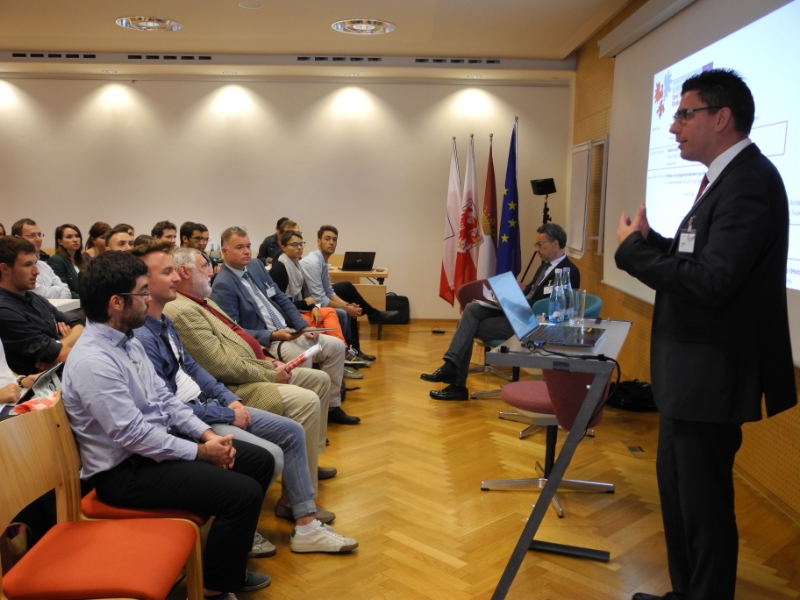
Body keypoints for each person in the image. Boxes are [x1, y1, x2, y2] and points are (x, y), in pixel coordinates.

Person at [615, 69, 796, 600]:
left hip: (710, 380)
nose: (673, 127)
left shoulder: (749, 182)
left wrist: (633, 253)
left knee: (704, 508)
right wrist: (653, 241)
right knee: (680, 500)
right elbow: (700, 261)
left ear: (721, 118)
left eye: (684, 114)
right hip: (689, 381)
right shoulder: (726, 179)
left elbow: (714, 282)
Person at [61, 251, 274, 598]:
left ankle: (223, 562)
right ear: (116, 302)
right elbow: (132, 435)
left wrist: (207, 435)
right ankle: (214, 588)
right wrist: (201, 452)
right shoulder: (93, 360)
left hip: (149, 452)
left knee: (259, 462)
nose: (148, 300)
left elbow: (165, 400)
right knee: (243, 494)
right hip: (124, 473)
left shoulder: (127, 339)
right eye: (142, 292)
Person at [132, 241, 357, 553]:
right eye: (168, 272)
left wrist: (231, 397)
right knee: (275, 445)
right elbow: (192, 386)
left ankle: (304, 517)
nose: (210, 271)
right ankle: (247, 527)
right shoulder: (170, 316)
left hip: (218, 396)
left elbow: (196, 366)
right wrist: (228, 408)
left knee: (298, 417)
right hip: (208, 406)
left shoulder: (170, 317)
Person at [165, 247, 337, 493]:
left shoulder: (203, 300)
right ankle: (296, 496)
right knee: (307, 400)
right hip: (238, 385)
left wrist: (267, 358)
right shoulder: (182, 310)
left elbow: (240, 336)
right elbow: (221, 365)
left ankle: (309, 462)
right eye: (205, 267)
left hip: (256, 364)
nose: (211, 272)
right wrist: (269, 372)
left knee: (319, 380)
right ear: (185, 272)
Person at [211, 226, 359, 426]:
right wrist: (273, 335)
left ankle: (331, 407)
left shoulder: (255, 265)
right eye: (240, 247)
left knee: (336, 347)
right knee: (302, 357)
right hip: (266, 341)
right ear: (224, 251)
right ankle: (304, 415)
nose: (247, 251)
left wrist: (302, 326)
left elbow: (279, 297)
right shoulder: (223, 284)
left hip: (288, 330)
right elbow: (234, 331)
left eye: (248, 246)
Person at [422, 222, 579, 400]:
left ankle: (455, 378)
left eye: (540, 244)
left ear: (555, 243)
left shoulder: (569, 272)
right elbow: (530, 293)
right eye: (535, 244)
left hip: (533, 324)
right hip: (518, 314)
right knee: (472, 309)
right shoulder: (544, 266)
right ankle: (452, 370)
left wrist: (513, 303)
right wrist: (506, 299)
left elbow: (551, 306)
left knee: (465, 326)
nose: (536, 249)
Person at [300, 224, 398, 359]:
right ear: (318, 241)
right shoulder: (313, 262)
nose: (331, 242)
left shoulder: (322, 261)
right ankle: (370, 319)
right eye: (327, 239)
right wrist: (346, 308)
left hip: (318, 298)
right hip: (308, 303)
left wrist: (348, 306)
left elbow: (328, 291)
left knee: (348, 295)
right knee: (346, 303)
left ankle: (355, 351)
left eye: (334, 239)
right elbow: (321, 299)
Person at [0, 236, 84, 375]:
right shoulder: (4, 310)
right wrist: (57, 351)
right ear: (5, 269)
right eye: (27, 265)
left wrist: (56, 348)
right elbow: (60, 354)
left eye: (35, 263)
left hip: (60, 374)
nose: (36, 271)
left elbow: (79, 326)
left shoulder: (34, 298)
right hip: (35, 385)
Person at [270, 230, 348, 347]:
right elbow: (280, 306)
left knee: (330, 312)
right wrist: (305, 303)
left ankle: (342, 348)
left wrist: (313, 307)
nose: (299, 247)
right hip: (287, 315)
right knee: (328, 317)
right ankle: (342, 349)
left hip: (298, 309)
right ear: (283, 247)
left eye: (301, 244)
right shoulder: (279, 270)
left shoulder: (297, 266)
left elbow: (305, 298)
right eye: (294, 244)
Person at [11, 218, 71, 299]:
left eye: (39, 235)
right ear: (18, 238)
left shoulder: (43, 265)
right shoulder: (15, 266)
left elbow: (65, 289)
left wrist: (58, 297)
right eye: (32, 235)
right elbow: (37, 293)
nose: (38, 239)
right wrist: (57, 290)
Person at [48, 223, 84, 298]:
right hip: (72, 302)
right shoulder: (56, 260)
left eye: (77, 236)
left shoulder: (82, 260)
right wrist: (87, 300)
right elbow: (63, 290)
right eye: (69, 237)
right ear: (60, 241)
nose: (75, 240)